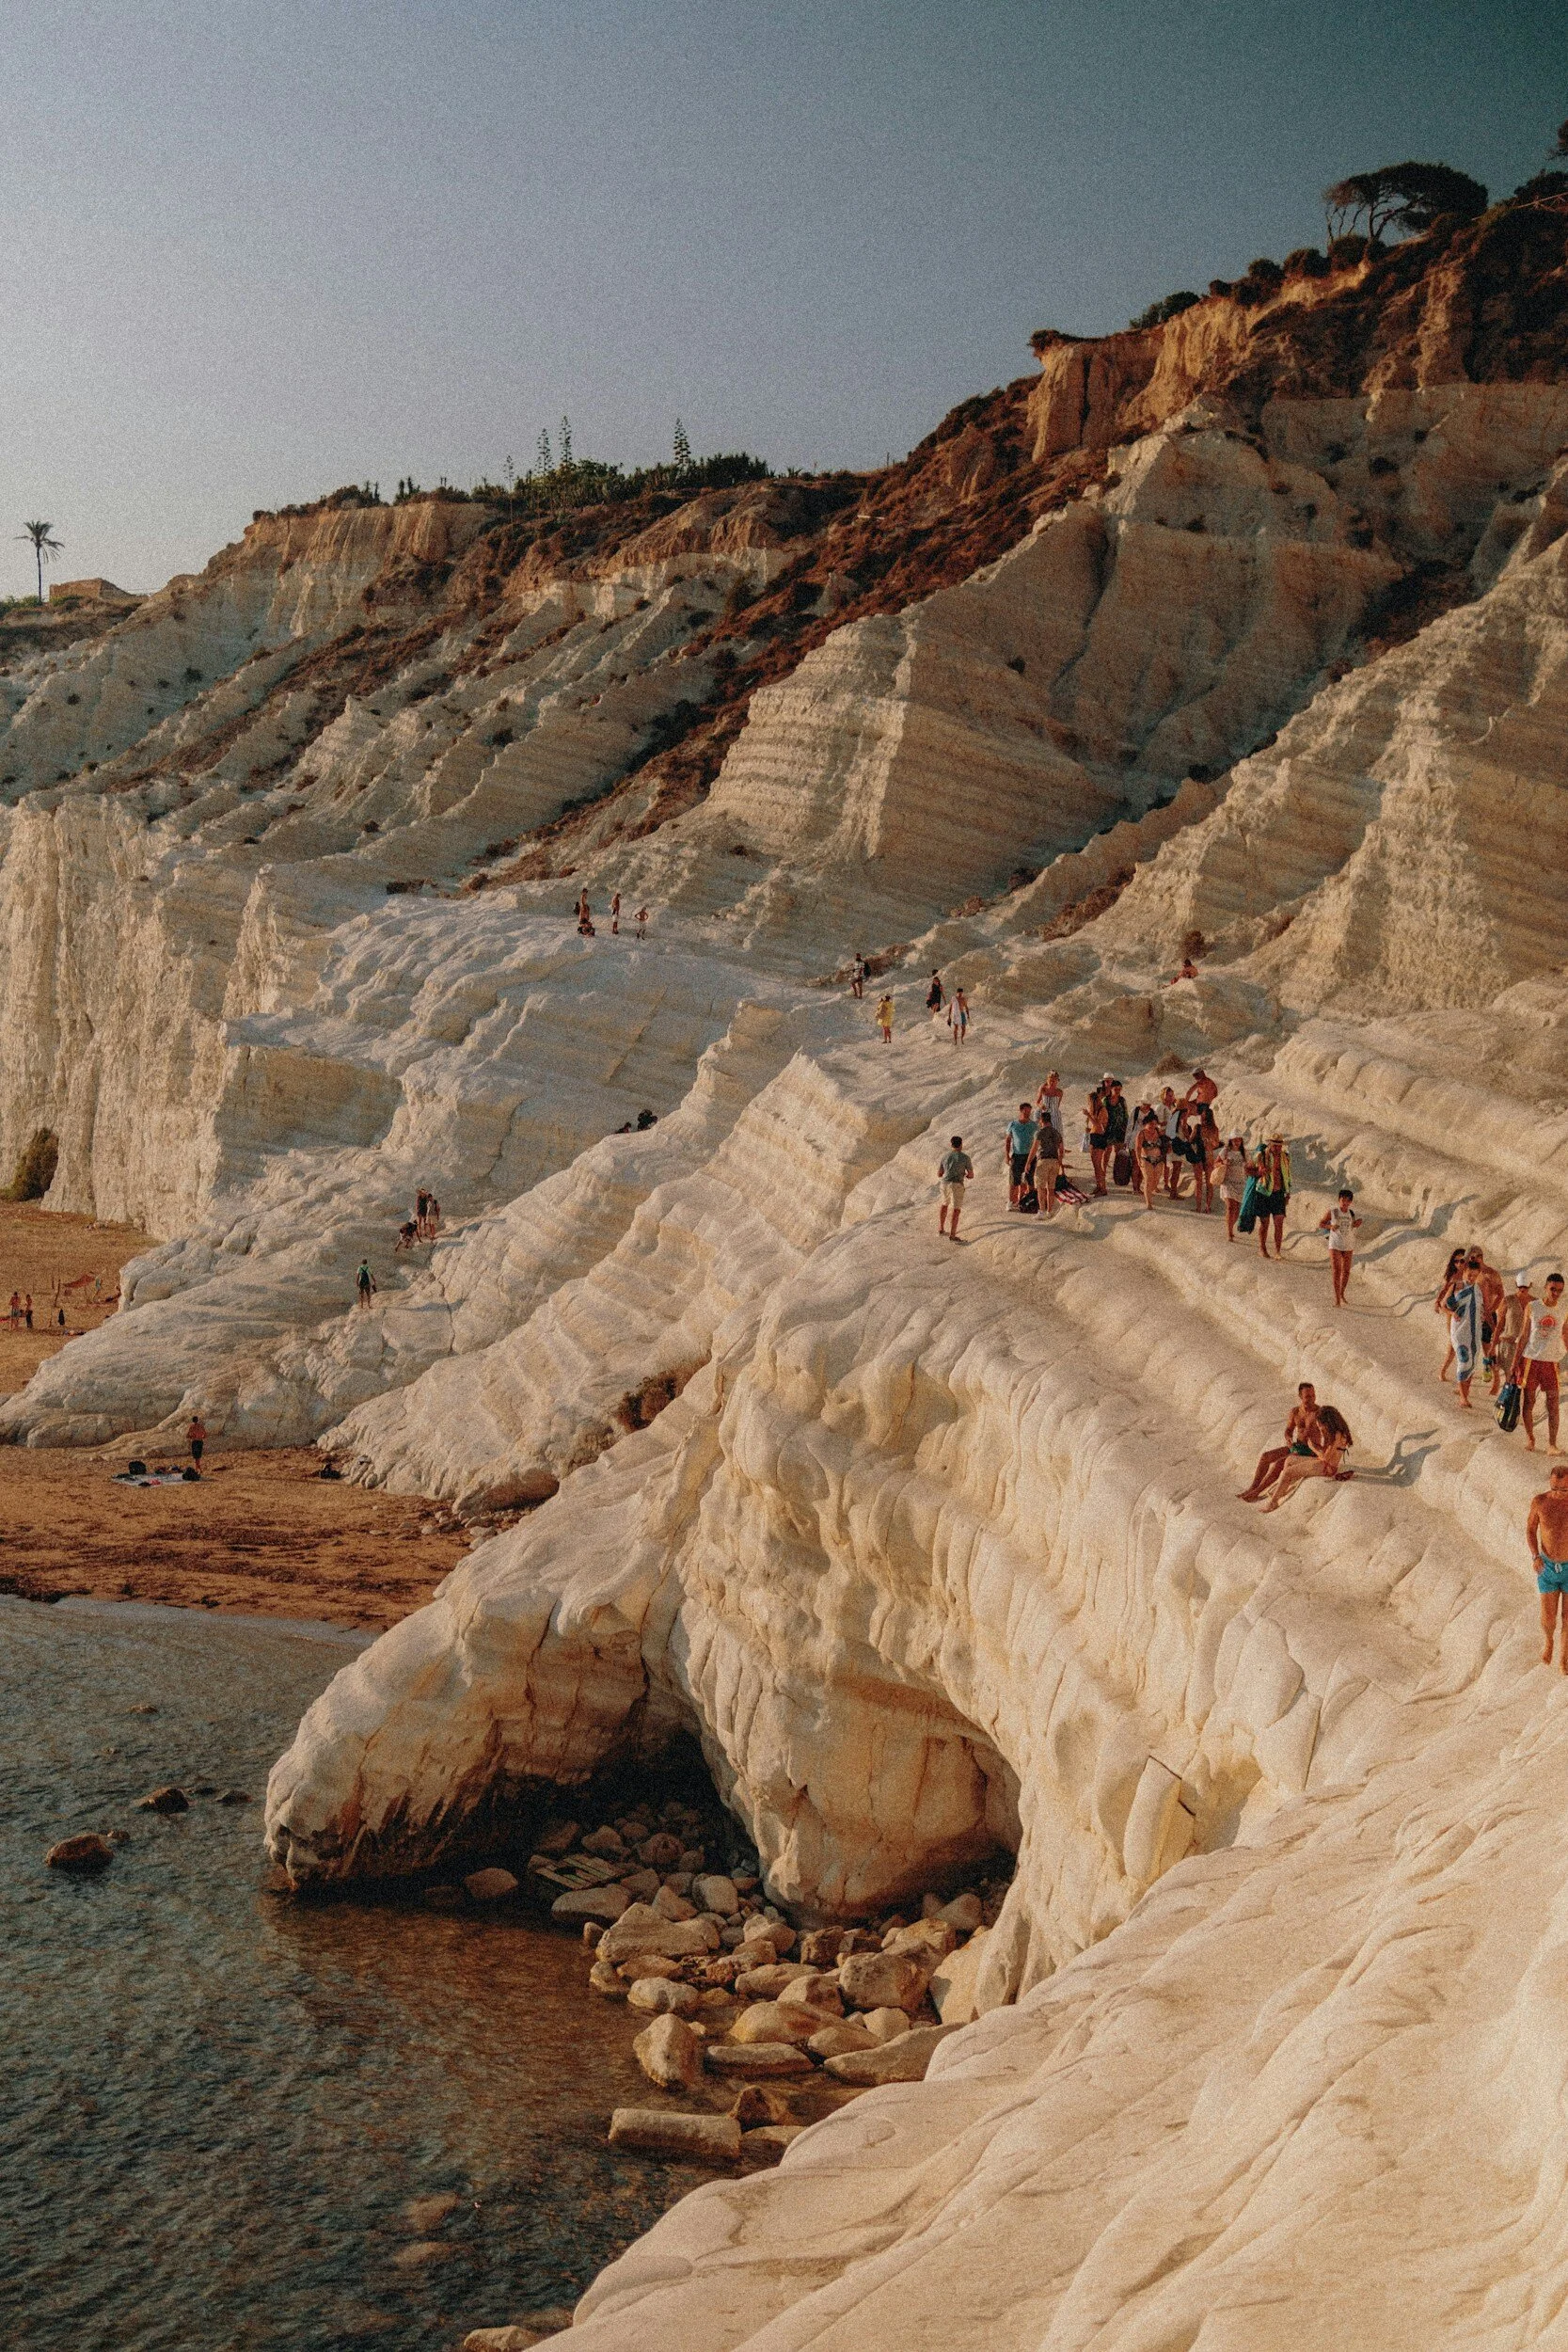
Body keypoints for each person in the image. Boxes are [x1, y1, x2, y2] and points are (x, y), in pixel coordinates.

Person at [1238, 1383, 1322, 1502]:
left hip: (1310, 1451)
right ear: (1300, 1396)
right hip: (1297, 1446)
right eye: (1308, 1396)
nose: (1312, 1399)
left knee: (1280, 1463)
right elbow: (1289, 1430)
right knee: (1265, 1457)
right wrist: (1288, 1439)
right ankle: (1252, 1487)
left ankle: (1256, 1492)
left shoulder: (1319, 1413)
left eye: (1313, 1395)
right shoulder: (1295, 1412)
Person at [1260, 1405, 1354, 1509]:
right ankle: (1283, 1487)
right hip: (1323, 1463)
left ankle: (1273, 1502)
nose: (1320, 1428)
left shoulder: (1337, 1435)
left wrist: (1313, 1447)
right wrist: (1317, 1447)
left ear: (1327, 1422)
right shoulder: (1333, 1432)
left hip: (1327, 1468)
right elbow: (1326, 1452)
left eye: (1321, 1425)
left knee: (1288, 1472)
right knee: (1290, 1460)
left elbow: (1326, 1458)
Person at [1517, 1272, 1565, 1454]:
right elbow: (1523, 1335)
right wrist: (1515, 1363)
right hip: (1531, 1360)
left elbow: (1565, 1336)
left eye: (1559, 1291)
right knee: (1528, 1401)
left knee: (1553, 1403)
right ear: (1545, 1288)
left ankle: (1552, 1444)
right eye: (1553, 1289)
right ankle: (1530, 1437)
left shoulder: (1562, 1310)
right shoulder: (1533, 1307)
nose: (1555, 1293)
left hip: (1551, 1362)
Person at [1527, 1466, 1568, 1669]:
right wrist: (1535, 1556)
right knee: (1548, 1618)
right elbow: (1530, 1530)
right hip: (1548, 1568)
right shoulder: (1541, 1501)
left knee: (1567, 1618)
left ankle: (1564, 1657)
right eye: (1554, 1488)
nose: (1557, 1493)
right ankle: (1549, 1640)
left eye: (1563, 1490)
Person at [1440, 1252, 1484, 1408]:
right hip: (1459, 1330)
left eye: (1474, 1276)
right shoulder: (1457, 1286)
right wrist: (1453, 1314)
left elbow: (1481, 1308)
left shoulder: (1478, 1289)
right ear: (1464, 1272)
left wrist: (1483, 1317)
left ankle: (1465, 1392)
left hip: (1474, 1331)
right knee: (1464, 1360)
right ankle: (1463, 1398)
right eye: (1469, 1275)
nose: (1471, 1278)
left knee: (1472, 1363)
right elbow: (1443, 1305)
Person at [1467, 1246, 1507, 1394]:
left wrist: (1490, 1310)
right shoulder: (1471, 1273)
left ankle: (1496, 1381)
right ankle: (1466, 1385)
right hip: (1473, 1316)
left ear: (1480, 1257)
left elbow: (1501, 1294)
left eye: (1473, 1258)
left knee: (1488, 1351)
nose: (1471, 1261)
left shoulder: (1491, 1274)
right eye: (1470, 1258)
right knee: (1471, 1350)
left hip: (1487, 1317)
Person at [1319, 1187, 1363, 1308]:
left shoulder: (1351, 1213)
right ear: (1339, 1200)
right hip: (1335, 1244)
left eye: (1348, 1200)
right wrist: (1330, 1227)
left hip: (1348, 1244)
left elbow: (1350, 1226)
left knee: (1347, 1271)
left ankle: (1342, 1293)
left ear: (1350, 1202)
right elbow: (1321, 1223)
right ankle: (1337, 1299)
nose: (1345, 1202)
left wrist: (1357, 1224)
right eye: (1343, 1199)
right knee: (1336, 1271)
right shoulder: (1333, 1211)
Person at [1254, 1136, 1291, 1259]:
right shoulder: (1262, 1155)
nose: (1277, 1148)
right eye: (1275, 1145)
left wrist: (1288, 1192)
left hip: (1279, 1193)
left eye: (1279, 1145)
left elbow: (1287, 1174)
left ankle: (1278, 1251)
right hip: (1264, 1192)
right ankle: (1262, 1247)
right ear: (1269, 1144)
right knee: (1265, 1223)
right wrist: (1260, 1170)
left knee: (1279, 1223)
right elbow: (1250, 1166)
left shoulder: (1285, 1157)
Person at [1435, 1247, 1467, 1382]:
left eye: (1462, 1261)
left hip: (1465, 1313)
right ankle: (1443, 1370)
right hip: (1453, 1313)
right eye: (1456, 1261)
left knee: (1461, 1343)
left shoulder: (1469, 1274)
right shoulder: (1454, 1277)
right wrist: (1437, 1301)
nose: (1459, 1264)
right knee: (1454, 1343)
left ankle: (1464, 1371)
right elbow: (1444, 1290)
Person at [1025, 1111, 1063, 1216]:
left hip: (1043, 1160)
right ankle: (1049, 1211)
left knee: (1040, 1187)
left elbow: (1034, 1149)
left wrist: (1028, 1163)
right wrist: (1059, 1161)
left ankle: (1041, 1211)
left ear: (1041, 1120)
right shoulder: (1057, 1132)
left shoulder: (1039, 1133)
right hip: (1054, 1160)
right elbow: (1061, 1149)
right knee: (1051, 1188)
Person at [1005, 1103, 1038, 1211]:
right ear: (1021, 1111)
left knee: (1030, 1179)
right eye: (1026, 1111)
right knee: (1014, 1180)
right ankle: (1010, 1202)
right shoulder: (1013, 1124)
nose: (1028, 1113)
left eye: (1029, 1111)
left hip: (1030, 1156)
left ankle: (1030, 1201)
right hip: (1017, 1155)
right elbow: (1008, 1140)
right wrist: (1007, 1155)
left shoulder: (1033, 1125)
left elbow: (1038, 1140)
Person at [938, 1136, 974, 1240]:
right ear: (961, 1144)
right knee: (956, 1209)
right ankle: (952, 1235)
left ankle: (941, 1228)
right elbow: (971, 1175)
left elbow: (939, 1174)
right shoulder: (965, 1158)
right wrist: (966, 1175)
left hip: (944, 1183)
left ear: (951, 1144)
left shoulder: (945, 1156)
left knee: (944, 1205)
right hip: (956, 1184)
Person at [1220, 1136, 1249, 1241]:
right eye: (1235, 1140)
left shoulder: (1245, 1153)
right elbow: (1216, 1163)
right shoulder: (1225, 1151)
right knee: (1230, 1207)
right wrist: (1223, 1162)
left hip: (1241, 1183)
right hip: (1227, 1182)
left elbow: (1249, 1167)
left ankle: (1230, 1226)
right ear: (1231, 1141)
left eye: (1239, 1140)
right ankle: (1229, 1232)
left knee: (1237, 1210)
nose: (1237, 1142)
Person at [1133, 1111, 1164, 1210]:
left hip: (1159, 1159)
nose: (1153, 1126)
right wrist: (1138, 1159)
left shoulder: (1158, 1132)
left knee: (1156, 1180)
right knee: (1148, 1180)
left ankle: (1151, 1192)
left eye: (1155, 1124)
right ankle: (1148, 1203)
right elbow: (1138, 1148)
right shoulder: (1141, 1134)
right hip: (1146, 1159)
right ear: (1146, 1123)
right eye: (1151, 1124)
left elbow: (1166, 1142)